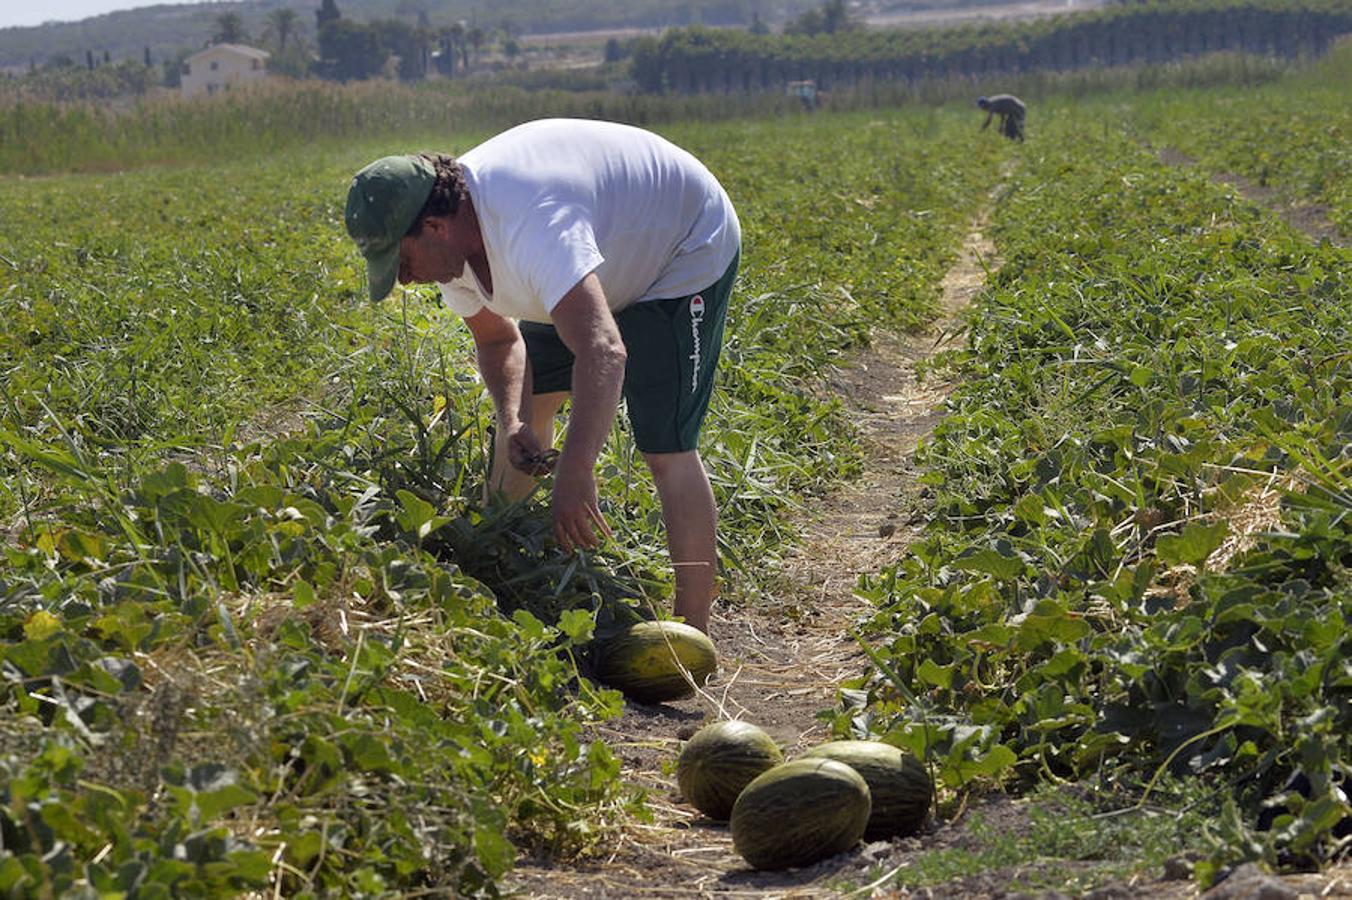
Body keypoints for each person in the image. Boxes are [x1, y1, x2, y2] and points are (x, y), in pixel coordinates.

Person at [343, 119, 741, 635]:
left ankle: (692, 638)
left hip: (680, 246)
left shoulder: (533, 225)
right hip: (594, 259)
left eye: (401, 261)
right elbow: (499, 340)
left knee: (666, 448)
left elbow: (604, 351)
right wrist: (511, 422)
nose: (403, 279)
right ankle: (499, 584)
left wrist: (577, 470)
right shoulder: (454, 250)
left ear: (435, 228)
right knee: (530, 417)